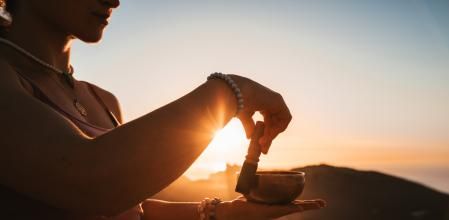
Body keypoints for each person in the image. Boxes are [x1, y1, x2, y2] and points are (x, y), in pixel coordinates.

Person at [0, 0, 325, 219]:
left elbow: (129, 209)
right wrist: (232, 92)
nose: (114, 1)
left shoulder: (103, 101)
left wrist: (220, 213)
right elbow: (89, 182)